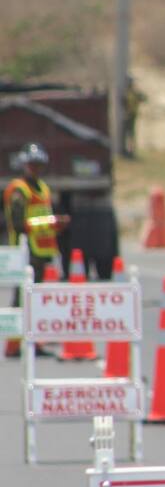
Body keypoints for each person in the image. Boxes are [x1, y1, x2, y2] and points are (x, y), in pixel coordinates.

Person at [4, 143, 65, 358]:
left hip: (41, 252)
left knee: (35, 300)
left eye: (38, 165)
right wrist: (50, 222)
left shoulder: (43, 188)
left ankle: (34, 342)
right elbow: (19, 224)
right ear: (24, 165)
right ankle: (12, 345)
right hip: (24, 252)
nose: (35, 169)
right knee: (21, 299)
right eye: (32, 165)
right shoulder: (19, 190)